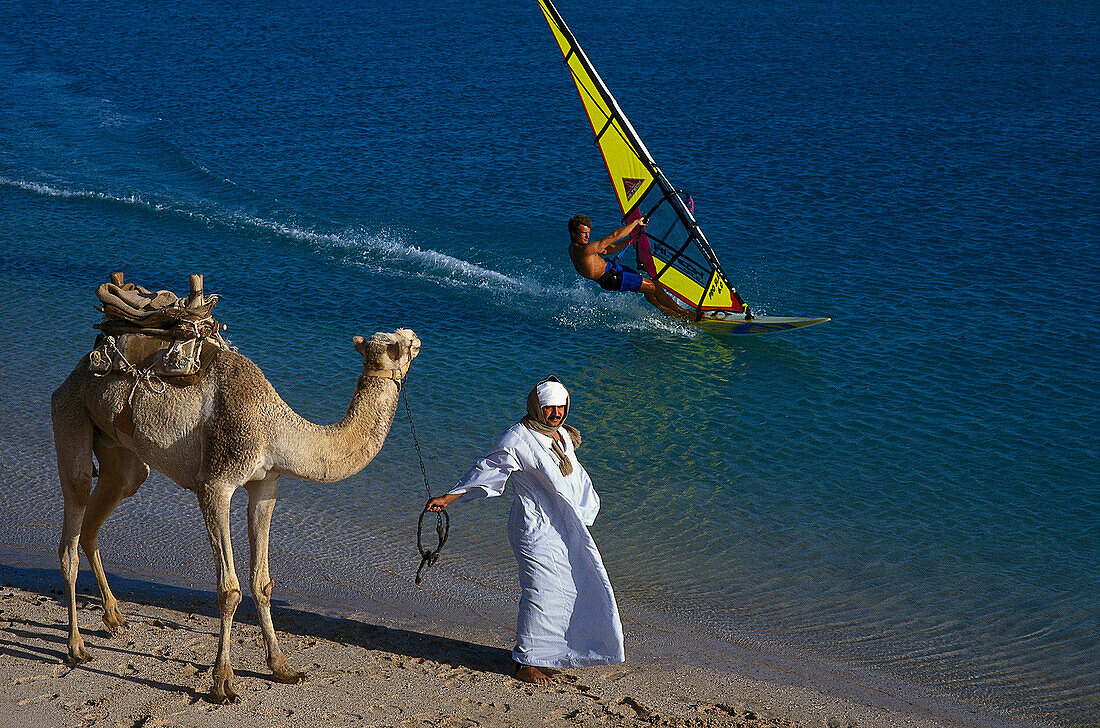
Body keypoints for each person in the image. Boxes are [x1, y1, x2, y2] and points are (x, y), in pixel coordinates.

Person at [425, 377, 624, 685]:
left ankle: (549, 655)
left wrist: (586, 509)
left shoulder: (562, 437)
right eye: (549, 408)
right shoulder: (518, 437)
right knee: (540, 591)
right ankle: (525, 662)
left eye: (560, 407)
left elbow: (575, 478)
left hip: (564, 527)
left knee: (568, 588)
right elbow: (487, 470)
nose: (556, 413)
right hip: (534, 528)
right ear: (537, 407)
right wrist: (448, 498)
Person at [567, 214, 689, 318]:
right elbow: (613, 236)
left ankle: (667, 312)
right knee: (655, 286)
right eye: (584, 233)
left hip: (613, 269)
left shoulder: (577, 248)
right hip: (613, 278)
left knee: (648, 286)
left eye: (588, 233)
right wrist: (636, 222)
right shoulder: (583, 250)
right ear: (573, 233)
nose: (587, 237)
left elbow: (607, 250)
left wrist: (630, 241)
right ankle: (683, 313)